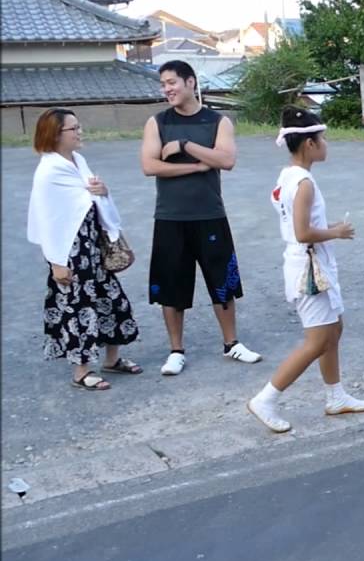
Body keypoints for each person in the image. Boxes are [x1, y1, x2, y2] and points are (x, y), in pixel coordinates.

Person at [246, 107, 364, 433]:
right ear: (308, 144)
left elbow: (298, 226)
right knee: (316, 340)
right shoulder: (303, 182)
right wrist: (336, 232)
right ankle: (266, 398)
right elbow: (303, 232)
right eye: (322, 138)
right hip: (308, 266)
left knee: (333, 329)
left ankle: (336, 395)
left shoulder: (286, 176)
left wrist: (328, 228)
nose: (326, 143)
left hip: (308, 259)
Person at [141, 59, 261, 376]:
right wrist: (195, 166)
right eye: (163, 84)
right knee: (171, 285)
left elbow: (226, 159)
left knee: (222, 280)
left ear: (191, 82)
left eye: (172, 82)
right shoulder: (157, 122)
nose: (167, 89)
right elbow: (150, 165)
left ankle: (231, 343)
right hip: (170, 217)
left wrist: (183, 145)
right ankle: (176, 350)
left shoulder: (217, 121)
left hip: (209, 213)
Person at [27, 108, 142, 391]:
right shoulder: (49, 171)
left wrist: (103, 192)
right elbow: (47, 219)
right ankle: (81, 372)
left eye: (79, 127)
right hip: (69, 251)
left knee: (112, 300)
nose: (80, 133)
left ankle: (112, 360)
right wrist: (55, 262)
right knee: (79, 309)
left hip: (92, 248)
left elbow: (90, 198)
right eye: (73, 129)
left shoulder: (78, 161)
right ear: (55, 134)